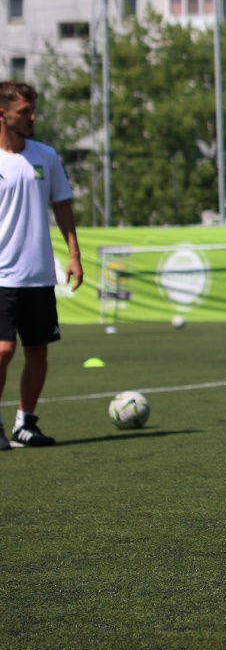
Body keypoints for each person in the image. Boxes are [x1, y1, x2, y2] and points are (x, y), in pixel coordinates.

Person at [0, 81, 83, 449]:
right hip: (1, 276)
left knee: (38, 351)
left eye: (33, 110)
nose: (32, 117)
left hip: (38, 275)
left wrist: (74, 254)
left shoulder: (46, 156)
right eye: (24, 112)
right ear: (2, 114)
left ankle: (24, 423)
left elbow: (62, 204)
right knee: (2, 351)